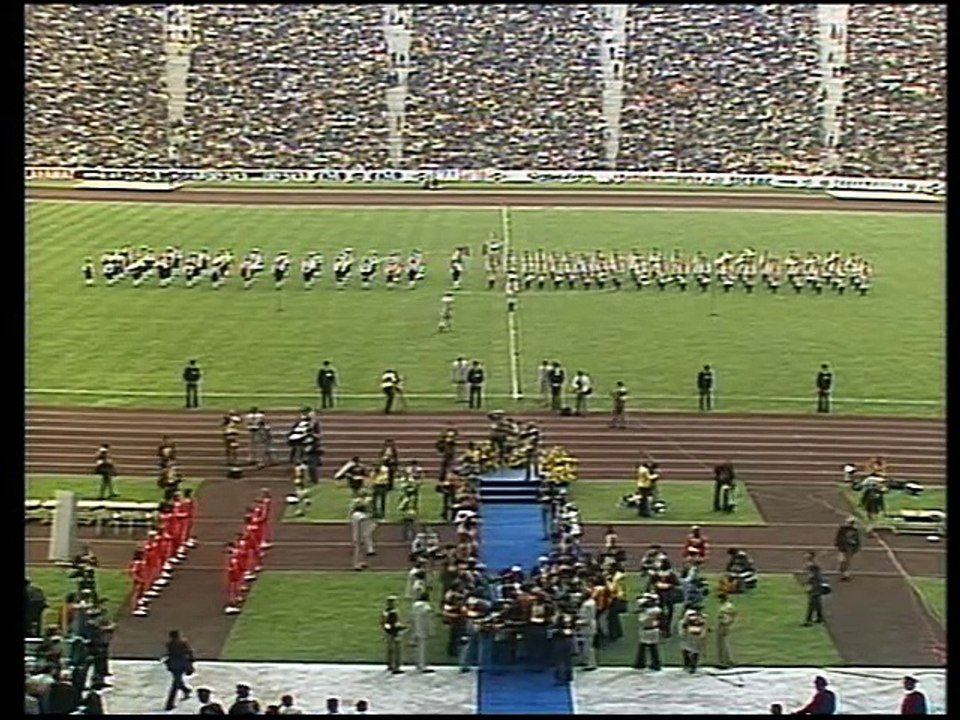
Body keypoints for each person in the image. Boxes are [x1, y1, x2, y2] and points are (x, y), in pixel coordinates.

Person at [163, 629, 194, 711]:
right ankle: (186, 690)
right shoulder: (182, 643)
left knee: (176, 683)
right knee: (177, 682)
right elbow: (189, 653)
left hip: (174, 665)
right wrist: (190, 662)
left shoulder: (170, 644)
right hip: (180, 665)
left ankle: (170, 704)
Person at [633, 593, 662, 671]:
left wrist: (642, 607)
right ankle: (640, 663)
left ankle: (655, 664)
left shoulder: (654, 610)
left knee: (652, 647)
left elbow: (642, 620)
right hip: (645, 630)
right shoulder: (651, 609)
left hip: (651, 630)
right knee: (643, 647)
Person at [411, 591, 435, 673]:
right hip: (423, 629)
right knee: (423, 649)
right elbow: (429, 618)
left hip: (416, 628)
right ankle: (423, 665)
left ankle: (417, 664)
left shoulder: (414, 606)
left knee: (417, 649)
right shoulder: (426, 606)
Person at [679, 608, 709, 673]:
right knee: (688, 650)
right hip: (691, 635)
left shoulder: (700, 619)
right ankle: (689, 665)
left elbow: (703, 627)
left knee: (694, 651)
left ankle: (692, 665)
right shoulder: (699, 618)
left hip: (694, 635)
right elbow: (683, 627)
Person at [382, 595, 406, 674]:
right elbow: (392, 623)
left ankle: (391, 665)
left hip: (390, 633)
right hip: (394, 633)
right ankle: (396, 667)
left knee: (391, 650)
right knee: (395, 650)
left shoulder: (387, 611)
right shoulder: (392, 612)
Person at [803, 553, 828, 626]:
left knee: (811, 603)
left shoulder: (813, 566)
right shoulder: (814, 566)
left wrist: (808, 586)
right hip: (818, 587)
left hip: (815, 588)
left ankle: (808, 620)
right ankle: (819, 618)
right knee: (817, 603)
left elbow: (813, 578)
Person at [715, 592, 737, 668]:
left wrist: (725, 623)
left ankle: (727, 661)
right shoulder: (726, 606)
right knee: (721, 644)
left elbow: (730, 617)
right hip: (722, 625)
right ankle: (723, 661)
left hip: (724, 626)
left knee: (724, 644)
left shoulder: (727, 607)